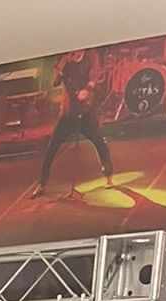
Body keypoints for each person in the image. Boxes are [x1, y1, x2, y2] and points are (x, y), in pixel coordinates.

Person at [31, 48, 113, 198]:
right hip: (68, 112)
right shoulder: (65, 61)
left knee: (99, 142)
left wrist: (87, 89)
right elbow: (55, 82)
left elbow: (94, 76)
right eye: (73, 53)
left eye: (79, 52)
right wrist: (62, 64)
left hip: (86, 110)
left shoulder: (91, 56)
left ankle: (108, 175)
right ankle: (42, 184)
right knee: (51, 147)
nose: (76, 54)